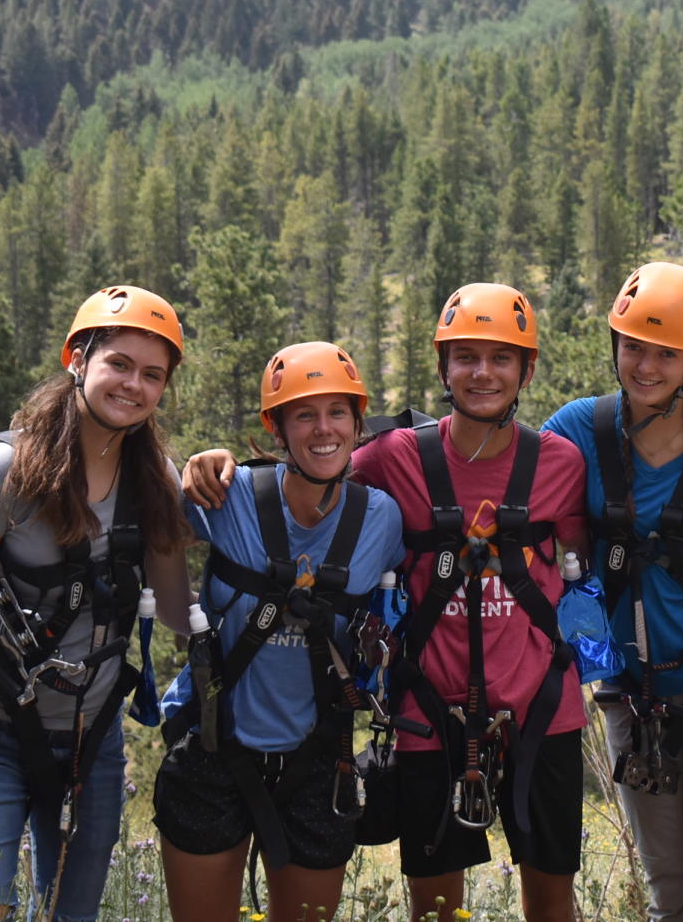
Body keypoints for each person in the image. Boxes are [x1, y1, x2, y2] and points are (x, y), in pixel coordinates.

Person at [184, 283, 588, 922]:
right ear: (442, 368)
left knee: (553, 900)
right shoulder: (394, 457)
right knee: (433, 905)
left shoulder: (562, 464)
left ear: (527, 370)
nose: (482, 372)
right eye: (465, 357)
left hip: (541, 713)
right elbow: (318, 468)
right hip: (430, 717)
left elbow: (592, 568)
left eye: (501, 358)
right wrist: (217, 464)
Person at [0, 285, 193, 922]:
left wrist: (236, 495)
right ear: (79, 360)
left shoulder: (157, 486)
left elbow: (177, 613)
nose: (133, 386)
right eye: (118, 364)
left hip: (91, 742)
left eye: (152, 375)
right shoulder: (6, 472)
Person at [540, 262, 683, 922]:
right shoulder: (579, 428)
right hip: (630, 693)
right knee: (668, 888)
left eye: (665, 352)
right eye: (633, 345)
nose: (645, 365)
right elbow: (507, 472)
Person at [153, 341, 405, 922]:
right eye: (304, 415)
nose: (324, 430)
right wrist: (196, 466)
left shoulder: (381, 519)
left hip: (319, 762)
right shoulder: (228, 494)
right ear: (277, 427)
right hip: (216, 751)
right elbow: (146, 519)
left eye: (337, 413)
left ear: (358, 421)